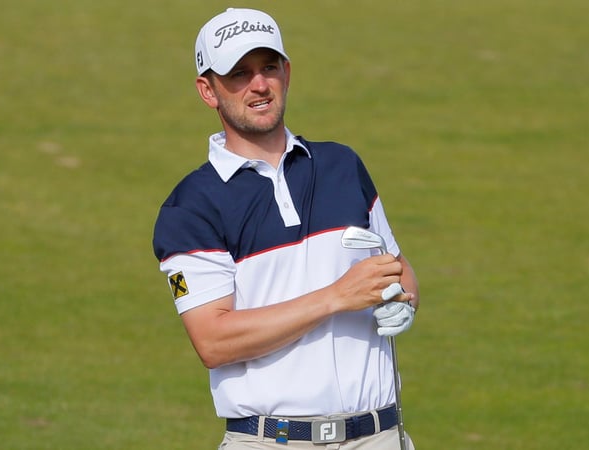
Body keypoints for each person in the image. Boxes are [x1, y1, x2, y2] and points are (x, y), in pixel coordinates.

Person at [152, 7, 419, 449]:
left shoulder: (342, 166)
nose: (259, 85)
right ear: (208, 90)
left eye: (269, 68)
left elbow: (394, 266)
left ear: (287, 72)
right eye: (239, 74)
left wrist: (403, 298)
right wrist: (336, 297)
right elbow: (214, 341)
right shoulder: (191, 207)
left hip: (380, 435)